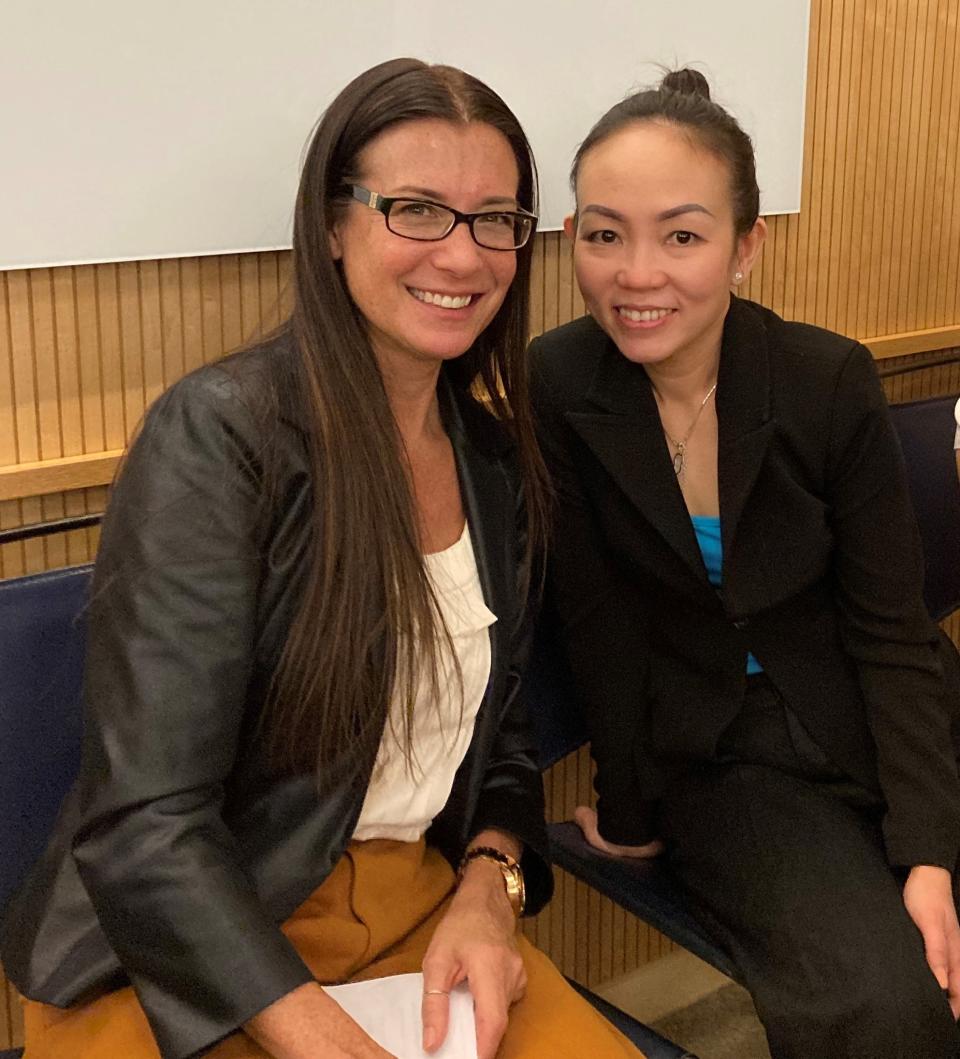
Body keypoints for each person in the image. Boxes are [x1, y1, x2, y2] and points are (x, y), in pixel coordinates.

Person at [0, 59, 644, 1059]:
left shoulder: (493, 463)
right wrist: (319, 1037)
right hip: (186, 939)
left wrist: (490, 882)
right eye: (418, 210)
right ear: (334, 225)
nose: (464, 256)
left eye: (496, 219)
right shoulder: (220, 439)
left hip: (416, 905)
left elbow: (499, 740)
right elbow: (146, 822)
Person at [529, 68, 960, 1058]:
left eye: (682, 234)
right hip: (725, 759)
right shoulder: (556, 382)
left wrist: (928, 854)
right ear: (572, 241)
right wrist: (632, 804)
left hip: (886, 708)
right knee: (886, 1009)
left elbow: (890, 629)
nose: (638, 275)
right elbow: (595, 619)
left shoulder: (825, 377)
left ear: (745, 247)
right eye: (605, 234)